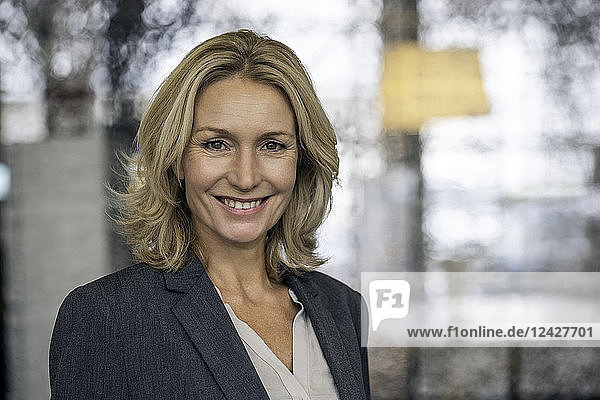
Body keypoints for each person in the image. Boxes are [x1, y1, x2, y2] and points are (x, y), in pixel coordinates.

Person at [49, 29, 370, 399]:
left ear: (302, 161)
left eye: (272, 145)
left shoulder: (343, 308)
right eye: (216, 144)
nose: (245, 177)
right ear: (177, 159)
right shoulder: (107, 318)